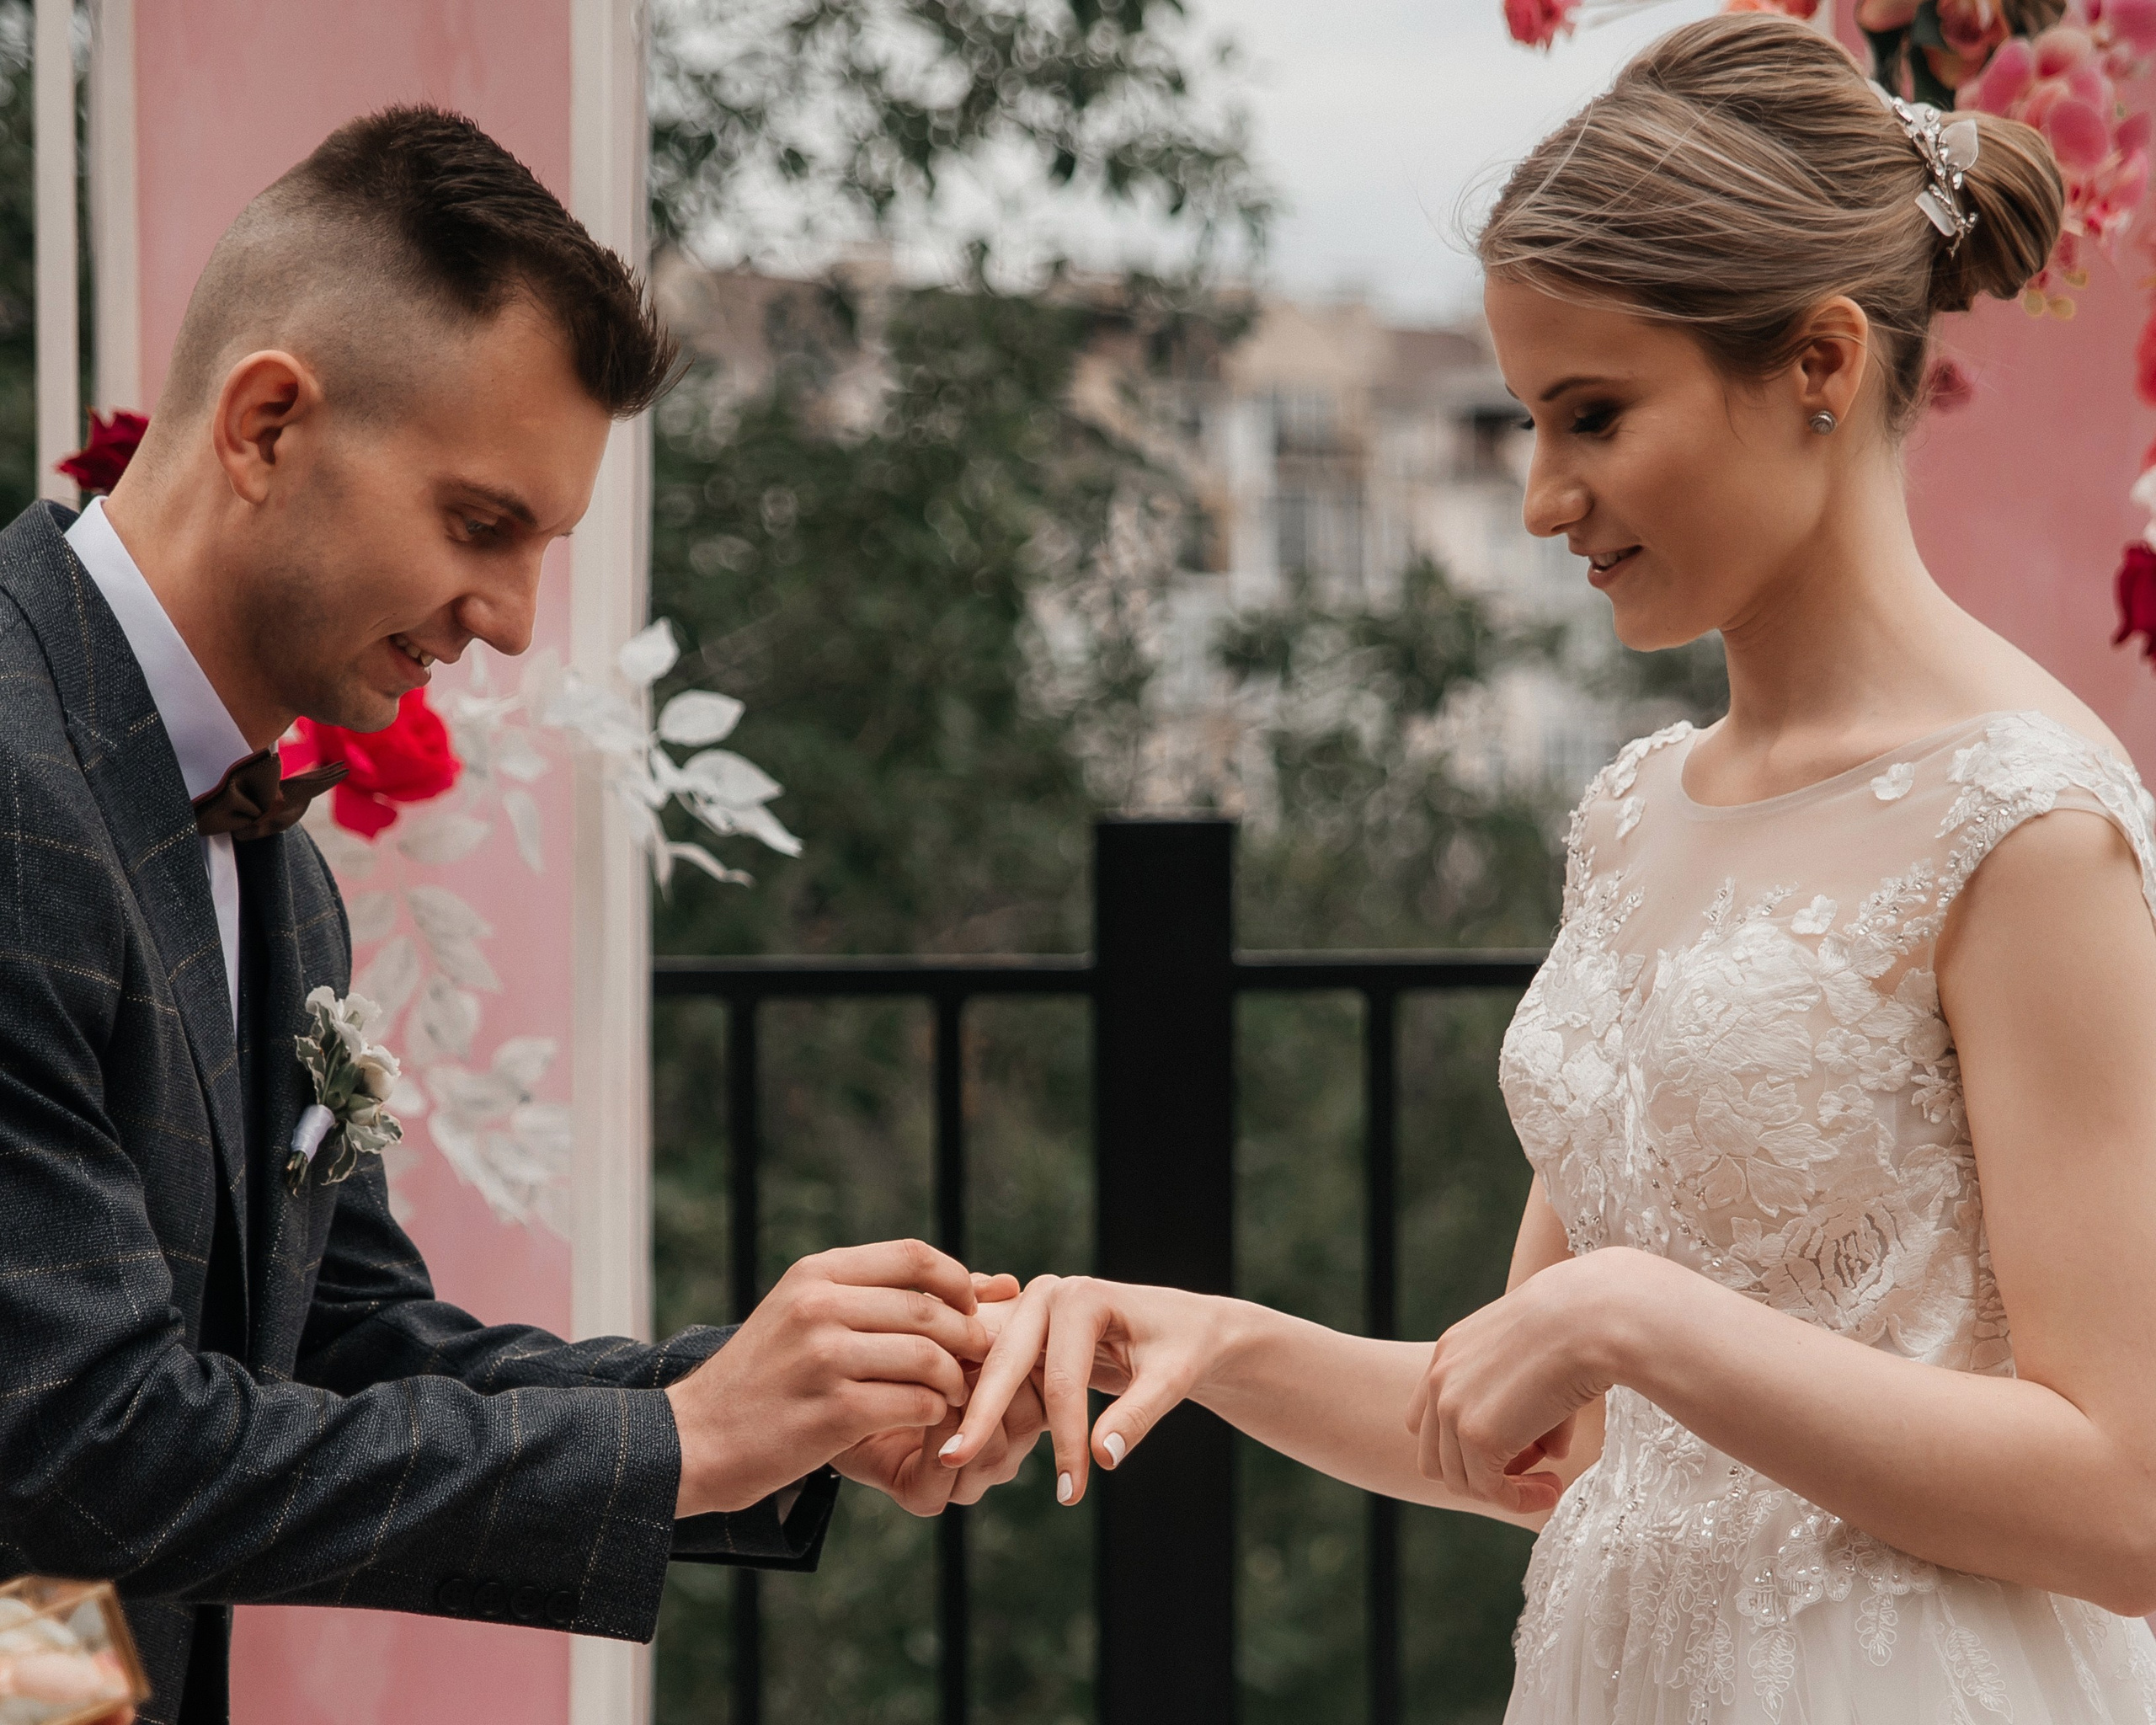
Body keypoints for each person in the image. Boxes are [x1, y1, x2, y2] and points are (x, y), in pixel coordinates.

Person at [945, 13, 2156, 1719]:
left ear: (1814, 360)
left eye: (1588, 415)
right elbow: (1531, 1427)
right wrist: (1208, 1340)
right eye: (1526, 419)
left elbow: (2125, 1500)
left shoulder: (2024, 820)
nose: (1537, 497)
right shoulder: (1633, 811)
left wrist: (1637, 1320)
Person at [0, 107, 1043, 1725]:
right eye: (484, 525)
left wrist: (778, 1400)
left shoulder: (278, 867)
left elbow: (344, 1344)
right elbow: (82, 1441)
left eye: (542, 548)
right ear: (267, 424)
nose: (509, 621)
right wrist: (686, 1441)